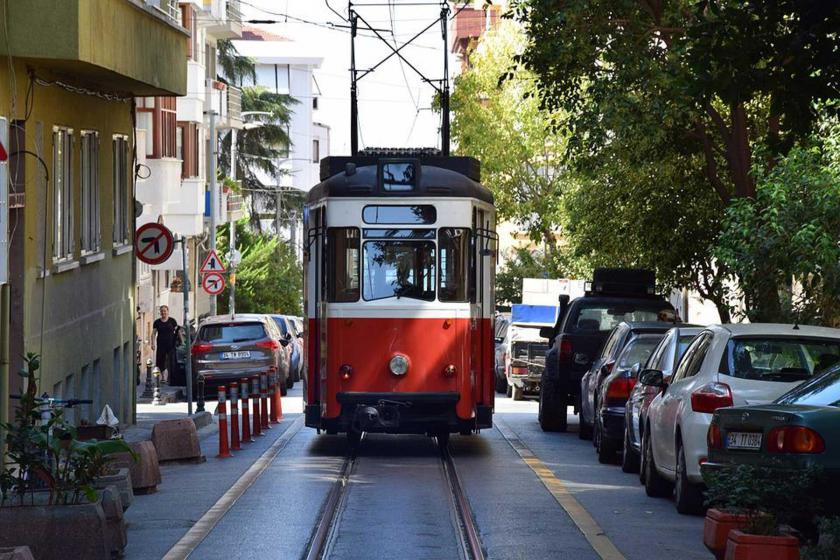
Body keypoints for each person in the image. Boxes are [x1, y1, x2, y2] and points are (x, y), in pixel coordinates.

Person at [152, 305, 179, 384]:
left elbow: (178, 332)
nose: (163, 312)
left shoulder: (172, 321)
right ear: (160, 312)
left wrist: (182, 341)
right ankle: (163, 377)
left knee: (171, 361)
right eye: (162, 311)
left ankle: (170, 378)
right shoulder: (157, 322)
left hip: (171, 344)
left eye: (165, 310)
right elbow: (153, 334)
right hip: (161, 344)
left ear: (168, 311)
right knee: (161, 361)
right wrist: (153, 344)